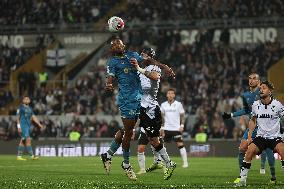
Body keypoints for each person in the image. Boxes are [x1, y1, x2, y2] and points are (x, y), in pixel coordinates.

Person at [100, 39, 175, 180]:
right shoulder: (114, 62)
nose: (118, 46)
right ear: (112, 49)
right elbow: (110, 77)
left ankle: (108, 155)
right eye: (114, 45)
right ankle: (127, 164)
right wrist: (109, 84)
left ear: (124, 46)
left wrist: (165, 67)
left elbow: (154, 70)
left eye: (119, 44)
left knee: (133, 134)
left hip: (146, 106)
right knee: (129, 132)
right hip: (130, 102)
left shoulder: (139, 61)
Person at [222, 73, 276, 183]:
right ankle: (241, 176)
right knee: (242, 148)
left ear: (259, 81)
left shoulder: (263, 92)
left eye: (254, 78)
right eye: (250, 78)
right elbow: (246, 110)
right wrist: (231, 115)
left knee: (269, 150)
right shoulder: (245, 95)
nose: (251, 80)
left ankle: (273, 175)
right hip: (252, 126)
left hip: (265, 127)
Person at [133, 47, 176, 179]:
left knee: (154, 141)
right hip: (144, 110)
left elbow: (155, 76)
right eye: (142, 54)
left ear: (150, 57)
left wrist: (139, 69)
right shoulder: (140, 72)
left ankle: (168, 163)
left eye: (145, 55)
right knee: (153, 140)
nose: (142, 56)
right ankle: (162, 162)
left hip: (152, 110)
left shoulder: (153, 69)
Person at [236, 81, 284, 186]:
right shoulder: (256, 105)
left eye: (264, 88)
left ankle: (273, 177)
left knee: (283, 151)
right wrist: (249, 137)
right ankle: (242, 180)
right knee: (248, 152)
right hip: (261, 137)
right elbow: (253, 121)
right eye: (260, 88)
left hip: (274, 137)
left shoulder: (277, 105)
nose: (261, 90)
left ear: (270, 91)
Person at [160, 88, 188, 168]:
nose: (170, 95)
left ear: (174, 95)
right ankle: (163, 162)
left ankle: (185, 163)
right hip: (166, 128)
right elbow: (161, 117)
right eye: (169, 93)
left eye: (172, 93)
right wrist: (162, 127)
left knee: (180, 145)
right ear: (166, 95)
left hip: (176, 128)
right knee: (162, 146)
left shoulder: (178, 104)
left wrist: (182, 125)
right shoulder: (163, 104)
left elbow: (182, 115)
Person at [16, 96, 43, 161]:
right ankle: (31, 156)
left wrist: (39, 124)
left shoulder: (30, 108)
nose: (27, 100)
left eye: (28, 99)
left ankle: (19, 156)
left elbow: (33, 117)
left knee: (24, 141)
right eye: (25, 99)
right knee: (27, 140)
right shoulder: (20, 108)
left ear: (30, 101)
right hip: (22, 126)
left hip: (27, 127)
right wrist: (19, 127)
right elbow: (17, 118)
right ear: (23, 100)